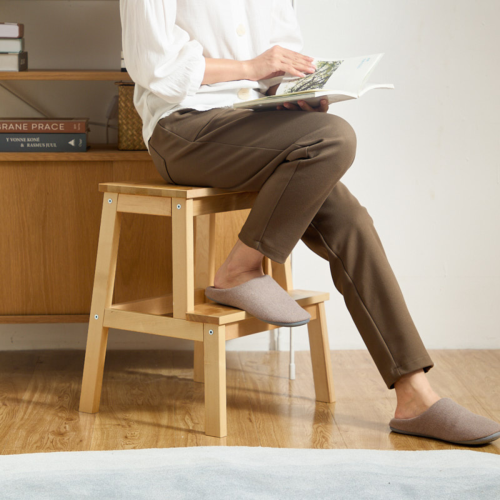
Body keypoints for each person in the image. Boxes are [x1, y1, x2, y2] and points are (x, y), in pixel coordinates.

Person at [120, 0, 500, 445]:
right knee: (333, 137)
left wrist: (295, 93)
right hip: (183, 129)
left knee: (350, 216)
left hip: (254, 121)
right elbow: (154, 68)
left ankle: (415, 396)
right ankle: (239, 270)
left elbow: (282, 61)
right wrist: (250, 66)